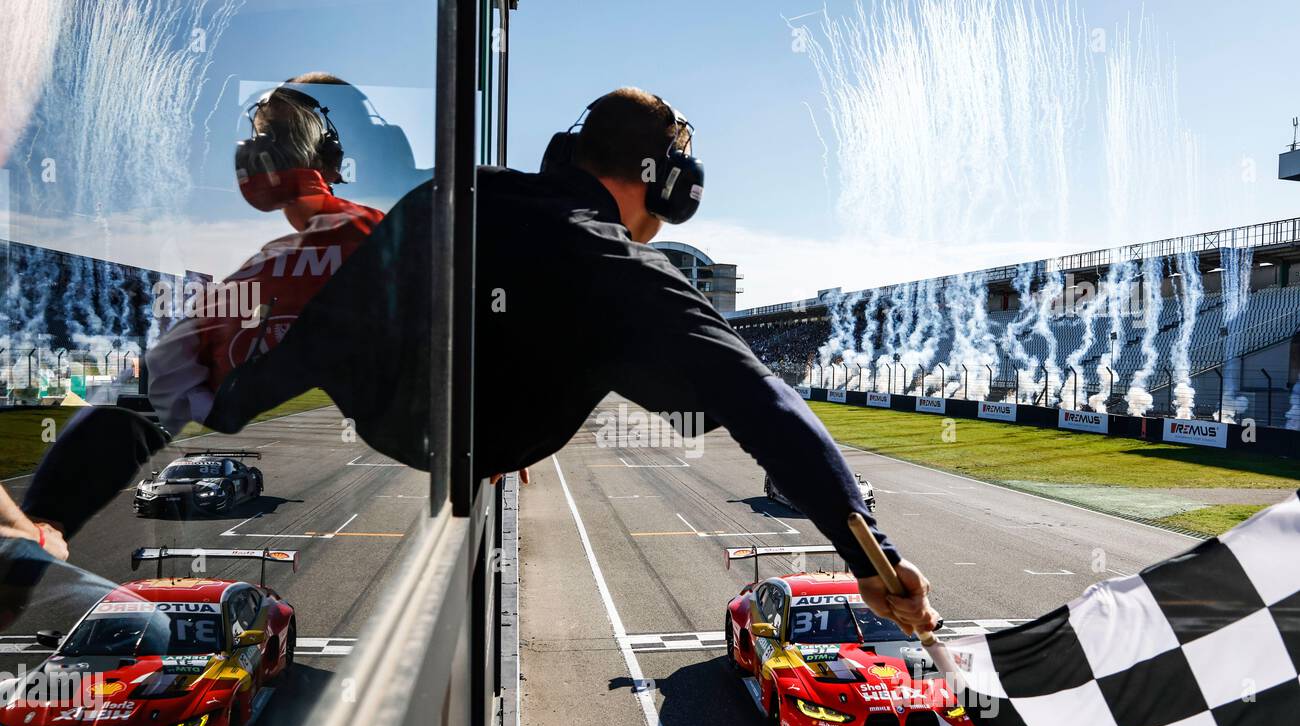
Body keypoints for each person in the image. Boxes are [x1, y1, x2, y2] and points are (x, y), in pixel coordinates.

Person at [194, 88, 942, 632]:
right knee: (686, 375)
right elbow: (765, 402)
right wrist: (872, 557)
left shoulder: (453, 194)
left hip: (396, 419)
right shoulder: (619, 267)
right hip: (472, 436)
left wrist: (225, 404)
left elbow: (325, 334)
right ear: (669, 186)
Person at [20, 74, 385, 538]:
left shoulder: (286, 264)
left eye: (274, 134)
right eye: (262, 134)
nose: (257, 147)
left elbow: (153, 390)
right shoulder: (326, 249)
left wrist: (47, 516)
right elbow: (159, 383)